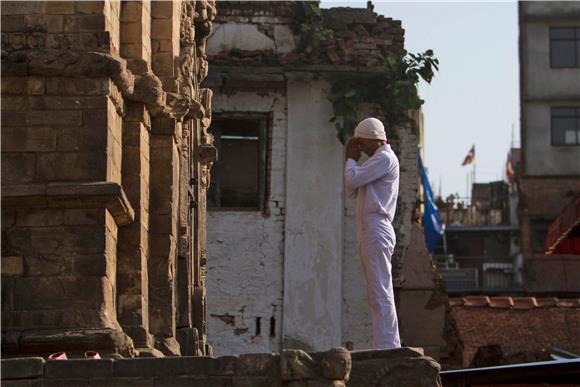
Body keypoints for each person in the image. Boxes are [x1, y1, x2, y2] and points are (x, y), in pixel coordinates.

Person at [344, 117, 401, 349]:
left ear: (375, 141)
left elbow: (352, 178)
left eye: (362, 143)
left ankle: (389, 346)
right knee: (377, 290)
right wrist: (353, 165)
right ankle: (386, 343)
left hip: (377, 227)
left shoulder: (384, 158)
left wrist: (350, 159)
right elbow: (351, 188)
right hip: (370, 228)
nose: (360, 149)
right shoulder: (376, 161)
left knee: (380, 290)